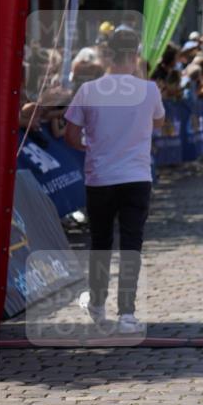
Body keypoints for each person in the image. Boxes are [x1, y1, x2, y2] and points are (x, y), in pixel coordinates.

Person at [64, 25, 165, 332]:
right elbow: (160, 123)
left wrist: (92, 146)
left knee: (100, 243)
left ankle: (96, 304)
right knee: (132, 244)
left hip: (100, 177)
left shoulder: (89, 89)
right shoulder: (149, 89)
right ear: (136, 56)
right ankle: (127, 314)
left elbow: (70, 135)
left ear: (108, 55)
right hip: (136, 176)